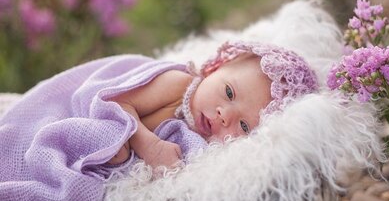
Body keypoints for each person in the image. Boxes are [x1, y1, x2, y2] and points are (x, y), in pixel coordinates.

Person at [107, 40, 319, 167]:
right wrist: (149, 147)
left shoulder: (203, 149)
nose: (225, 115)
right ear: (215, 68)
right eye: (229, 92)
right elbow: (115, 102)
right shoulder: (178, 85)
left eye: (244, 126)